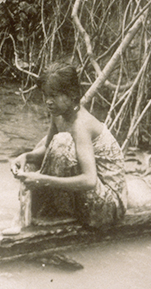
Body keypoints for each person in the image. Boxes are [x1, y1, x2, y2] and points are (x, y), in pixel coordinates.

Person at [10, 65, 127, 228]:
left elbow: (89, 180)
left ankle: (62, 212)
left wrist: (42, 180)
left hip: (108, 205)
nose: (48, 102)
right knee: (43, 148)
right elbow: (47, 148)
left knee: (62, 142)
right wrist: (27, 156)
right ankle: (51, 211)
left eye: (54, 96)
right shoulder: (59, 114)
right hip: (91, 195)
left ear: (72, 95)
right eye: (45, 95)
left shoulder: (81, 125)